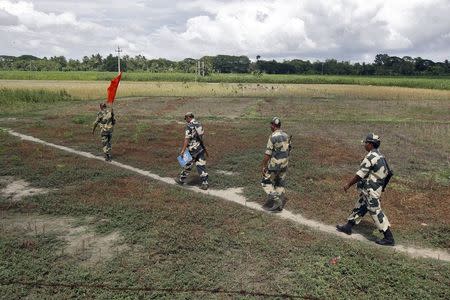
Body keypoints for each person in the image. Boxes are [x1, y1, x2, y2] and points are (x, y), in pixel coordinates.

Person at [336, 133, 395, 246]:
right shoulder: (381, 157)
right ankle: (348, 226)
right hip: (374, 188)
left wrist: (348, 184)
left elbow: (360, 175)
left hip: (371, 190)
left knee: (375, 211)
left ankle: (389, 237)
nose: (364, 145)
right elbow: (388, 174)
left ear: (370, 144)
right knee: (361, 206)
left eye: (366, 143)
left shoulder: (370, 157)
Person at [261, 117, 291, 212]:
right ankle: (279, 205)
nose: (270, 126)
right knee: (280, 182)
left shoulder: (272, 137)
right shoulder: (286, 135)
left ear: (273, 126)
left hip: (275, 164)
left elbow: (268, 153)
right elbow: (289, 149)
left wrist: (264, 165)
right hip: (284, 163)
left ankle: (276, 200)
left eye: (271, 124)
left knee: (265, 181)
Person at [176, 112, 209, 190]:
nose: (186, 121)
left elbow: (187, 139)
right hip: (200, 148)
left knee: (187, 164)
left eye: (186, 119)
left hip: (192, 149)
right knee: (201, 165)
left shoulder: (189, 126)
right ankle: (205, 183)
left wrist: (183, 150)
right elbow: (202, 136)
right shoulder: (199, 124)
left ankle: (181, 180)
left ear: (188, 117)